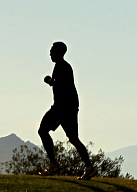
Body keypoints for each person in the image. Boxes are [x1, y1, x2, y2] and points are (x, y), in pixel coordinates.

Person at [37, 41, 97, 180]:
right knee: (73, 138)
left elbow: (67, 83)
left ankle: (54, 164)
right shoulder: (60, 66)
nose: (50, 53)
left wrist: (52, 82)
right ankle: (89, 167)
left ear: (59, 52)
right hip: (67, 107)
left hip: (63, 107)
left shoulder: (63, 67)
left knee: (43, 130)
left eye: (52, 50)